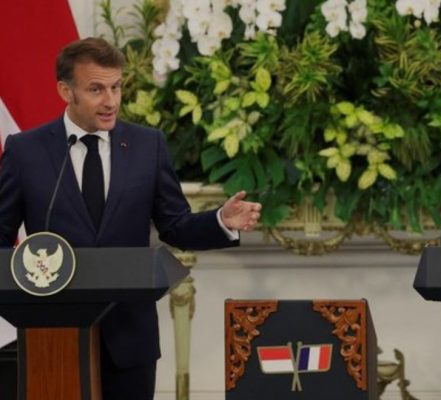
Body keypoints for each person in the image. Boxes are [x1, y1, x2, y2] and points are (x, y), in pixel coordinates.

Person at [0, 37, 262, 399]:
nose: (111, 101)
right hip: (53, 340)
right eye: (96, 89)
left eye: (116, 87)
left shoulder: (147, 146)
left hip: (129, 341)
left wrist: (220, 221)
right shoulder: (26, 150)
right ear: (66, 91)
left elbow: (175, 225)